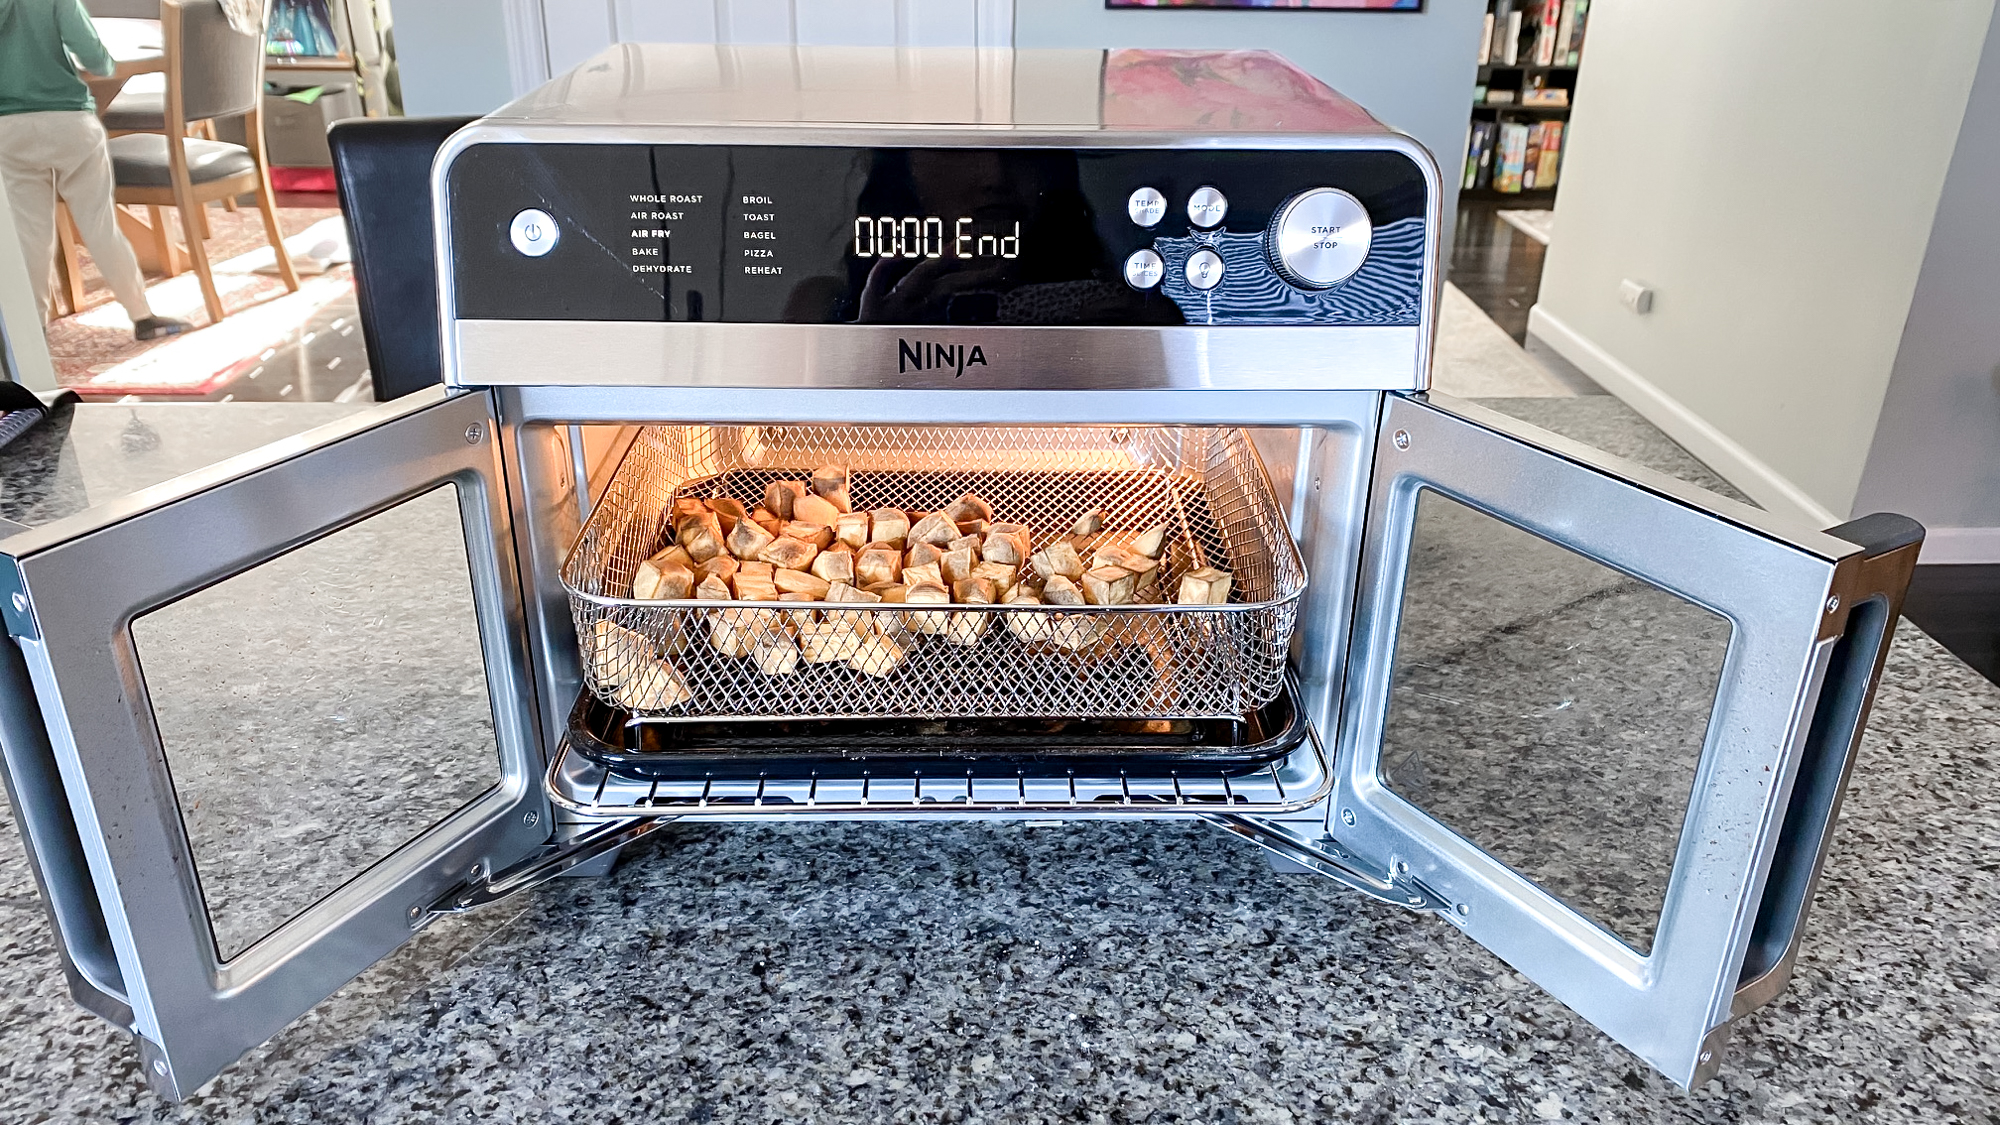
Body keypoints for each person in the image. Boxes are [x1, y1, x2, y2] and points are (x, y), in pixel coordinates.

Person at [0, 0, 190, 340]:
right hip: (70, 125)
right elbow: (97, 62)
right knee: (99, 224)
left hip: (7, 131)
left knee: (30, 232)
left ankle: (34, 327)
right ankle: (141, 315)